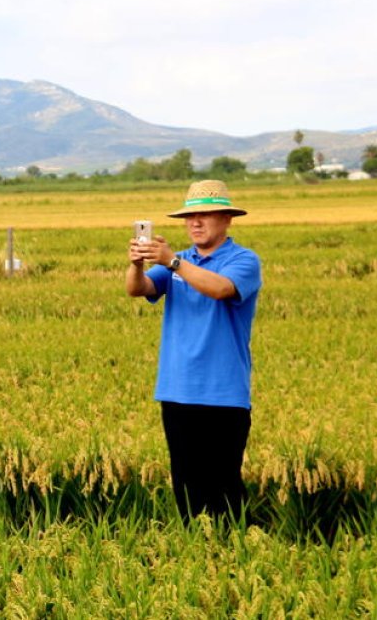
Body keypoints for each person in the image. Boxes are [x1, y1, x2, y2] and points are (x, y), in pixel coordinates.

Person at [125, 180, 262, 522]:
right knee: (186, 485)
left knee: (223, 485)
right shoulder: (180, 261)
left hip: (223, 392)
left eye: (205, 215)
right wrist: (137, 263)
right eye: (190, 217)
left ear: (227, 219)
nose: (196, 223)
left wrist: (172, 263)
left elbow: (220, 288)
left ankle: (233, 553)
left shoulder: (243, 260)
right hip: (177, 388)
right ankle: (198, 553)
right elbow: (137, 289)